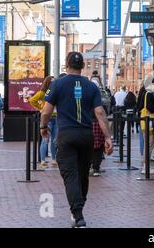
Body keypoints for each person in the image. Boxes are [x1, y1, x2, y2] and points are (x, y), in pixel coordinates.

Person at [40, 52, 113, 228]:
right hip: (87, 135)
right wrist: (107, 136)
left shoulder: (57, 84)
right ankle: (78, 211)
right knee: (82, 175)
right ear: (82, 67)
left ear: (67, 65)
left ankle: (78, 214)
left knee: (70, 175)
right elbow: (100, 112)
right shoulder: (91, 86)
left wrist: (43, 127)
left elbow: (46, 111)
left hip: (66, 135)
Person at [29, 76, 58, 169]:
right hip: (47, 117)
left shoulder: (56, 92)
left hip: (56, 117)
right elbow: (32, 100)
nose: (53, 83)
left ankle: (54, 160)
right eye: (52, 82)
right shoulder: (42, 92)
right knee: (46, 139)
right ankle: (43, 161)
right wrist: (41, 108)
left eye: (54, 82)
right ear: (47, 83)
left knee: (54, 140)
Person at [138, 78, 154, 175]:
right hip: (150, 121)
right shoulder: (151, 93)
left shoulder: (145, 92)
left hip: (143, 120)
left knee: (147, 143)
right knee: (149, 144)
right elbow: (151, 107)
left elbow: (140, 106)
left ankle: (145, 166)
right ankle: (146, 167)